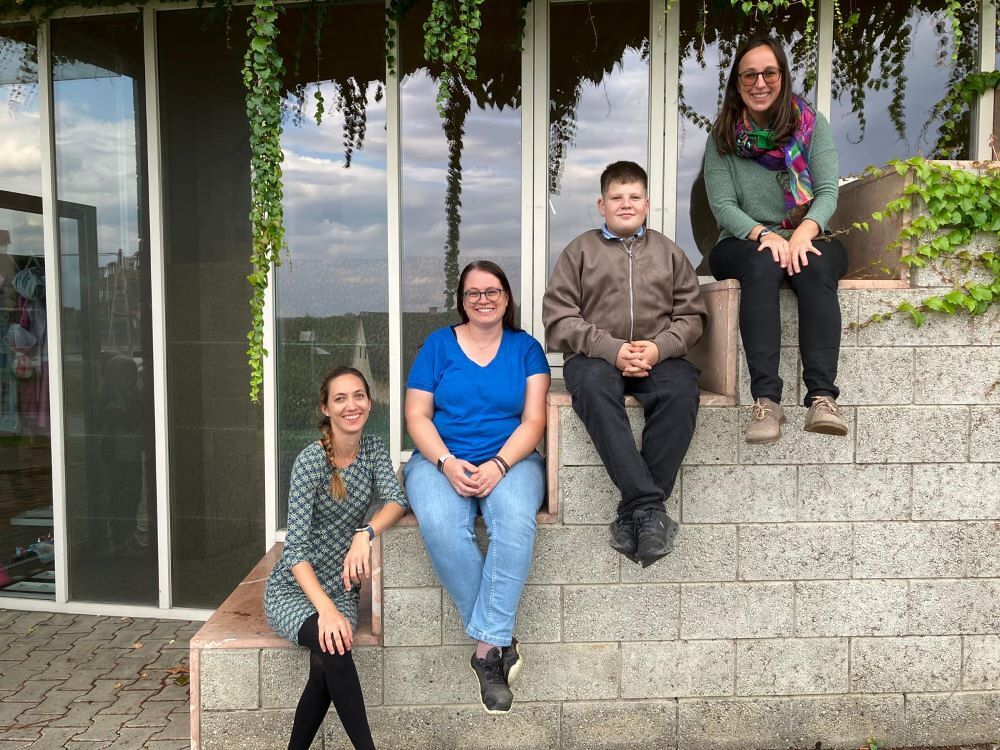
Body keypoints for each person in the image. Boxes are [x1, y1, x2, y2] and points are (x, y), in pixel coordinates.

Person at [543, 161, 707, 569]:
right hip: (595, 358)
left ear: (647, 204)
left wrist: (658, 348)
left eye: (634, 197)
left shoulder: (670, 253)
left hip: (658, 356)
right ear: (602, 205)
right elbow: (559, 317)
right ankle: (649, 508)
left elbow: (692, 317)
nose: (626, 204)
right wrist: (610, 348)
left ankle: (635, 512)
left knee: (681, 390)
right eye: (616, 197)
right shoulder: (579, 252)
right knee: (594, 390)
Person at [403, 260, 549, 715]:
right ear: (462, 301)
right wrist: (445, 462)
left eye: (492, 291)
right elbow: (416, 415)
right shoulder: (437, 345)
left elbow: (534, 420)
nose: (483, 300)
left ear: (506, 298)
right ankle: (499, 639)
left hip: (513, 459)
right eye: (473, 293)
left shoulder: (526, 349)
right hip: (439, 459)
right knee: (441, 525)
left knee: (514, 523)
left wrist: (500, 464)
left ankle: (486, 651)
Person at [703, 36, 850, 444]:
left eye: (769, 72)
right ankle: (767, 401)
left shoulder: (811, 125)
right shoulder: (723, 137)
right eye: (749, 75)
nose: (760, 83)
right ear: (737, 84)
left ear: (783, 76)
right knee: (762, 262)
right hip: (744, 238)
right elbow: (723, 206)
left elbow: (827, 192)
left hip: (804, 230)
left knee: (816, 265)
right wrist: (765, 234)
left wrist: (804, 231)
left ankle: (822, 398)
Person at [264, 367, 408, 750]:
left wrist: (365, 534)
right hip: (295, 590)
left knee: (325, 663)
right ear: (325, 408)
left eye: (358, 396)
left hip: (342, 588)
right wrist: (325, 610)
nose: (351, 405)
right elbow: (295, 552)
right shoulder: (310, 463)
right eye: (340, 398)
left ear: (370, 402)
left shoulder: (373, 449)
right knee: (335, 649)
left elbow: (396, 500)